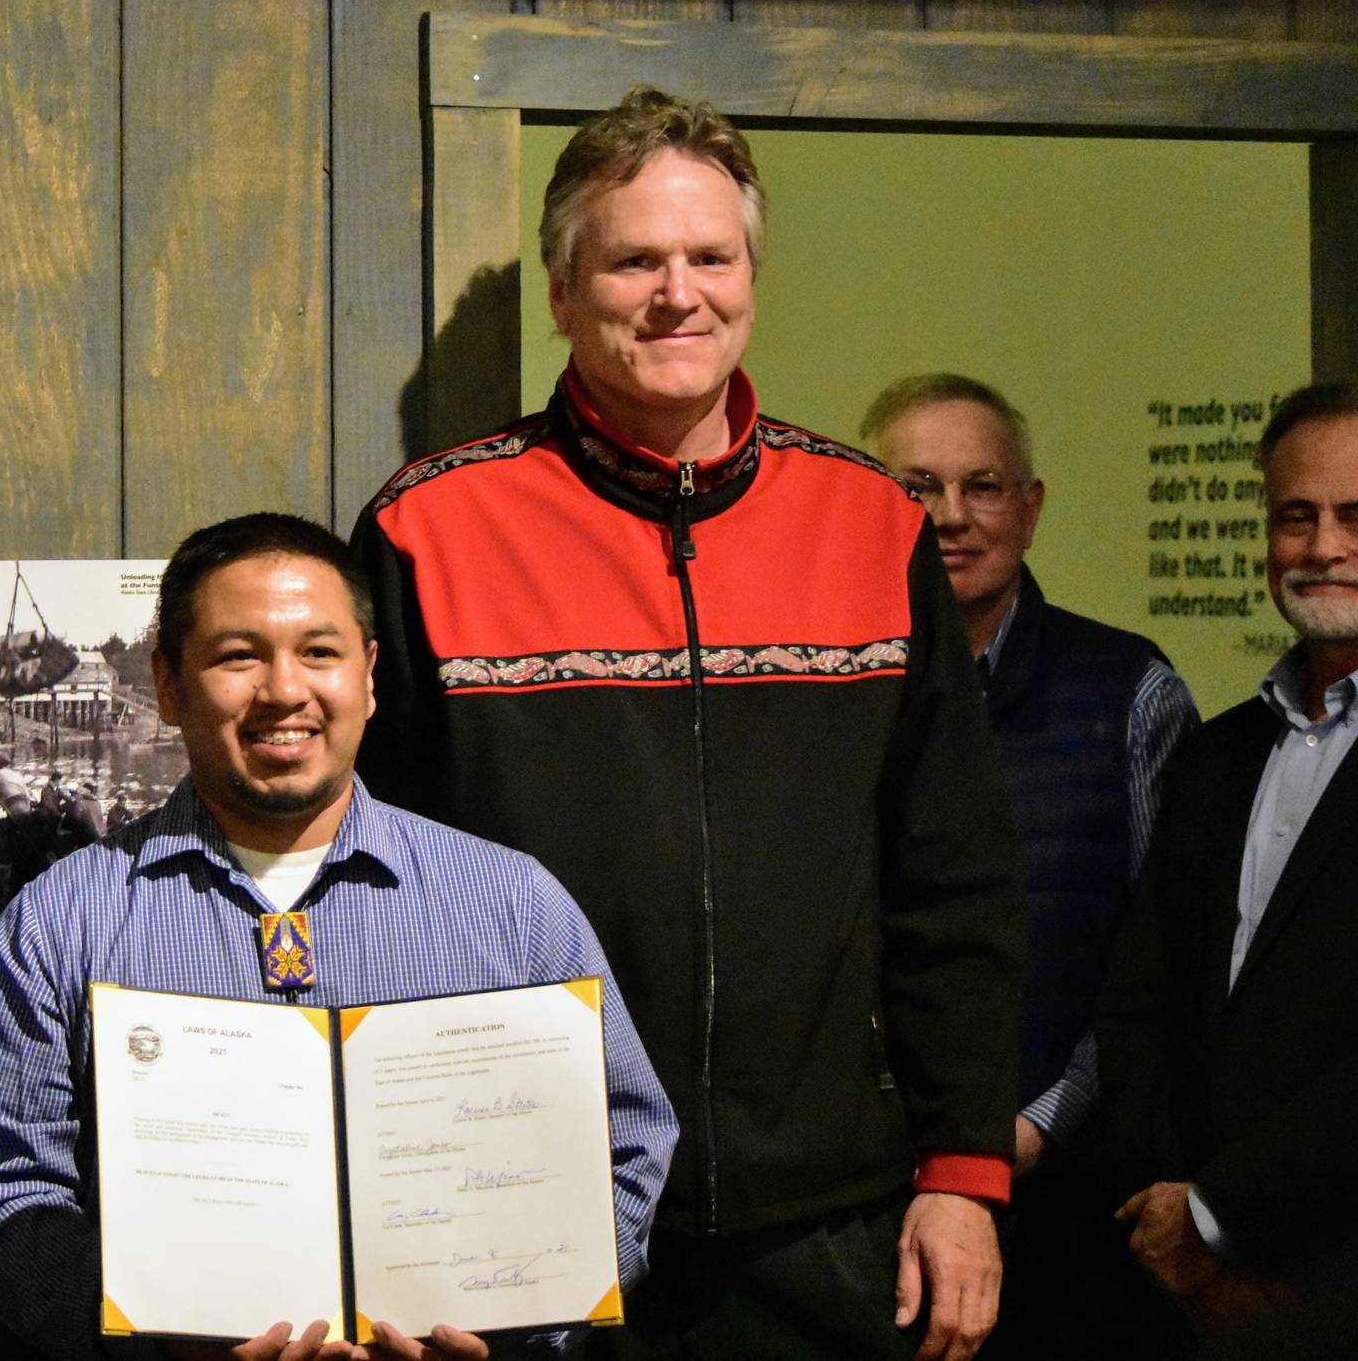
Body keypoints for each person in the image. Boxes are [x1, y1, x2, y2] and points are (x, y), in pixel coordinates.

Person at [353, 90, 1022, 1360]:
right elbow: (361, 887)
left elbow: (956, 880)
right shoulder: (424, 531)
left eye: (710, 256)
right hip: (515, 1209)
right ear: (561, 291)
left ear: (750, 274)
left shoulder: (874, 523)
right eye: (633, 259)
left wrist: (961, 1170)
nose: (678, 293)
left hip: (828, 1224)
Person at [0, 513, 677, 1361]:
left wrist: (519, 1324)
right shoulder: (63, 920)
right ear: (169, 684)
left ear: (368, 674)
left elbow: (627, 1144)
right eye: (238, 655)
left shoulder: (513, 905)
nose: (285, 690)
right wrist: (155, 1348)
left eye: (319, 652)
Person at [863, 375, 1200, 1352]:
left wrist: (1030, 1129)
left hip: (1069, 1207)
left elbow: (1153, 962)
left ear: (1030, 505)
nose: (950, 516)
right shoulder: (813, 700)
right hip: (860, 1196)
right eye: (916, 484)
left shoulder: (1130, 693)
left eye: (982, 485)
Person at [1098, 383, 1358, 1355]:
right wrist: (1178, 1234)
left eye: (1351, 515)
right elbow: (1138, 999)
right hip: (1180, 1288)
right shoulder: (1218, 752)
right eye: (1294, 515)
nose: (1321, 546)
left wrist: (1218, 1215)